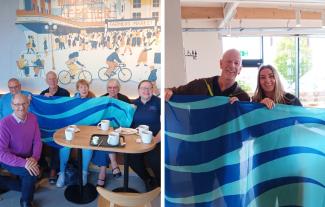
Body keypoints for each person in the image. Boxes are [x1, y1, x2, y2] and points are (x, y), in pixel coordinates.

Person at [0, 94, 42, 207]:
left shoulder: (33, 118)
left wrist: (34, 158)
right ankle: (25, 202)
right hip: (9, 158)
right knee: (31, 173)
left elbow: (37, 141)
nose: (21, 107)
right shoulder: (4, 123)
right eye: (17, 104)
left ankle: (23, 187)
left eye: (24, 103)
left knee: (34, 172)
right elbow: (1, 153)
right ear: (12, 106)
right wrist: (25, 163)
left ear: (28, 103)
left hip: (28, 156)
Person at [165, 49, 250, 103]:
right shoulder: (199, 85)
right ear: (221, 64)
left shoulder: (243, 97)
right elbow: (173, 91)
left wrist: (240, 108)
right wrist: (168, 91)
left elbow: (245, 123)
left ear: (240, 69)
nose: (232, 65)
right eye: (228, 61)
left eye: (236, 63)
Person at [92, 78, 131, 187]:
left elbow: (129, 117)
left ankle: (102, 173)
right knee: (104, 137)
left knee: (107, 138)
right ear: (107, 89)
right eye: (110, 87)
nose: (112, 89)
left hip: (120, 130)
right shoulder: (102, 99)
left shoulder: (124, 99)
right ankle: (112, 165)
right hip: (104, 130)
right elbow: (96, 116)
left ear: (119, 88)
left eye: (115, 87)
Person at [56, 79, 94, 187]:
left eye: (86, 86)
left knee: (88, 147)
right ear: (77, 89)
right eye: (81, 87)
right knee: (64, 146)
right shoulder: (72, 101)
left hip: (87, 131)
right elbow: (62, 109)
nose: (84, 89)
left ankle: (84, 173)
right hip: (74, 130)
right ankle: (62, 173)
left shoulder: (93, 99)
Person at [129, 80, 161, 191]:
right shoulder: (133, 104)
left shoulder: (159, 102)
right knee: (131, 158)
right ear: (138, 90)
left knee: (155, 160)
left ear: (152, 90)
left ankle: (160, 183)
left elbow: (167, 123)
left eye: (149, 88)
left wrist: (156, 139)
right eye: (143, 88)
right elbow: (129, 124)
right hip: (137, 140)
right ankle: (147, 180)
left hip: (155, 140)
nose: (146, 90)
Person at [40, 71, 70, 184]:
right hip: (48, 125)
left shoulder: (64, 92)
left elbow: (66, 110)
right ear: (46, 81)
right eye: (50, 79)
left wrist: (53, 100)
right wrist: (44, 99)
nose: (52, 81)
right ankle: (41, 166)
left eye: (54, 79)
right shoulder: (43, 93)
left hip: (61, 125)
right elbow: (41, 110)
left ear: (57, 80)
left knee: (56, 140)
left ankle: (53, 170)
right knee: (38, 138)